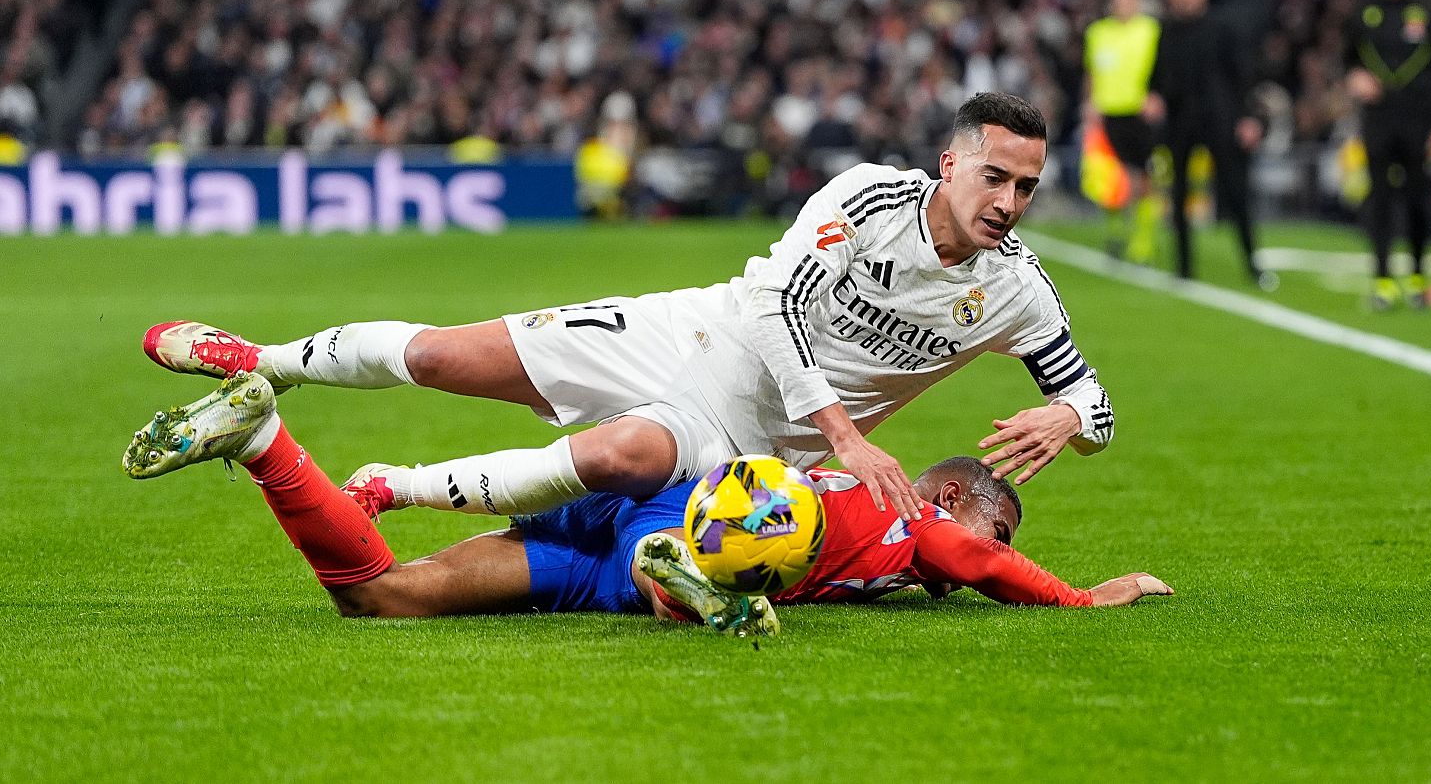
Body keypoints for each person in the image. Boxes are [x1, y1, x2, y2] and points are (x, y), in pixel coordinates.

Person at [141, 93, 1115, 529]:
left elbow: (1098, 410)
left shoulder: (1016, 289)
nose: (1008, 203)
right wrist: (845, 434)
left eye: (1026, 188)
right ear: (950, 163)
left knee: (618, 462)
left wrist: (1068, 416)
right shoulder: (866, 198)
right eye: (995, 177)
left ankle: (389, 487)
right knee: (443, 358)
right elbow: (774, 305)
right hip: (709, 333)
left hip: (754, 427)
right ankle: (258, 358)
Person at [120, 373, 1172, 634]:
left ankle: (265, 442)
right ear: (953, 494)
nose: (984, 550)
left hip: (662, 498)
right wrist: (1081, 598)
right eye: (998, 517)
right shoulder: (917, 524)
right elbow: (982, 562)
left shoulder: (881, 504)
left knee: (384, 595)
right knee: (708, 565)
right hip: (722, 522)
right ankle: (689, 581)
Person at [1146, 0, 1272, 289]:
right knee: (1179, 194)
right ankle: (1183, 268)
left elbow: (1245, 76)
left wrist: (1250, 117)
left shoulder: (1223, 28)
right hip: (1180, 123)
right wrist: (1154, 97)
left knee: (1235, 193)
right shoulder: (1167, 31)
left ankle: (1253, 263)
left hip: (1222, 121)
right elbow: (1157, 77)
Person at [1345, 0, 1431, 310]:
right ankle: (1382, 279)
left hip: (1419, 120)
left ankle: (1419, 276)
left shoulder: (1428, 12)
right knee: (1379, 198)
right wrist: (1354, 79)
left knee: (1420, 198)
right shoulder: (1363, 12)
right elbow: (1347, 60)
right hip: (1378, 120)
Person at [1083, 0, 1162, 263]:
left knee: (1143, 177)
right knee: (1110, 178)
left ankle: (1142, 241)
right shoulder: (1098, 33)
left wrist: (1156, 95)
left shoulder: (1151, 30)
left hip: (1138, 112)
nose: (1124, 5)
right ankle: (1116, 234)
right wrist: (1089, 102)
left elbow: (1163, 66)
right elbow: (1092, 71)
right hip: (1107, 112)